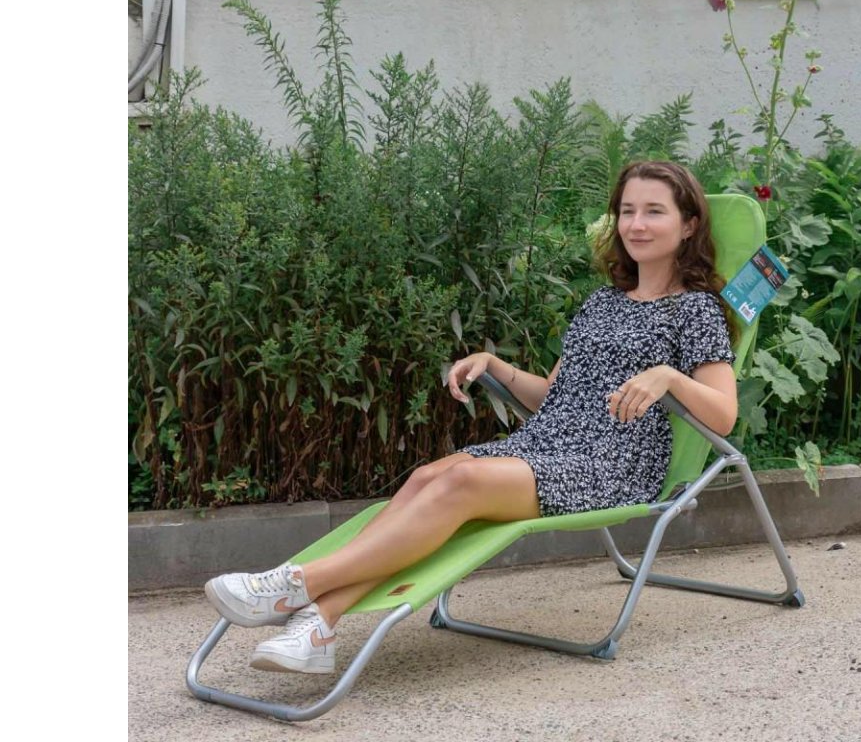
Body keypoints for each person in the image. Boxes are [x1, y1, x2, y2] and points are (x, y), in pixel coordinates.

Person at [203, 160, 739, 674]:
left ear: (689, 224)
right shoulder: (603, 302)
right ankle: (317, 625)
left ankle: (295, 583)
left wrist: (669, 377)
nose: (636, 224)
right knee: (430, 476)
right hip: (547, 445)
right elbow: (552, 397)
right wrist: (497, 366)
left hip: (613, 465)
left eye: (654, 211)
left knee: (459, 481)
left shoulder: (695, 309)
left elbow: (724, 417)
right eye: (627, 211)